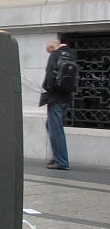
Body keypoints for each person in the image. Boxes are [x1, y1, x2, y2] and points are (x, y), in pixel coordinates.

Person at [40, 37, 77, 170]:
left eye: (48, 49)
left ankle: (61, 162)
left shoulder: (55, 55)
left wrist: (47, 91)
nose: (49, 52)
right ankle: (58, 156)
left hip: (55, 98)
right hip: (67, 97)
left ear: (53, 46)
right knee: (50, 125)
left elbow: (50, 75)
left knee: (56, 130)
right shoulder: (72, 55)